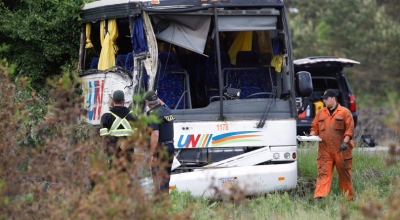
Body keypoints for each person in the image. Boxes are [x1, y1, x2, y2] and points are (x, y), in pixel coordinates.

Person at [309, 89, 355, 201]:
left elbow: (350, 130)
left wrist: (345, 142)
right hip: (324, 150)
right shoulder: (321, 113)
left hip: (341, 150)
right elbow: (314, 127)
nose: (324, 101)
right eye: (323, 99)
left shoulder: (345, 112)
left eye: (326, 99)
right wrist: (311, 135)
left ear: (333, 98)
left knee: (344, 174)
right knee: (323, 173)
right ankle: (319, 198)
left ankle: (348, 198)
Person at [144, 90, 175, 195]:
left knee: (158, 175)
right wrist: (156, 96)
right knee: (166, 176)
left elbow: (155, 134)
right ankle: (165, 200)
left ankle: (160, 200)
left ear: (148, 103)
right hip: (170, 146)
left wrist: (152, 154)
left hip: (160, 149)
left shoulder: (153, 114)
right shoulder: (167, 110)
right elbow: (161, 104)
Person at [100, 90, 135, 168]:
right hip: (128, 151)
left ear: (113, 100)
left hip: (113, 152)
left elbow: (104, 137)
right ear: (124, 100)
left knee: (114, 175)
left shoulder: (106, 116)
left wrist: (116, 144)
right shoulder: (132, 116)